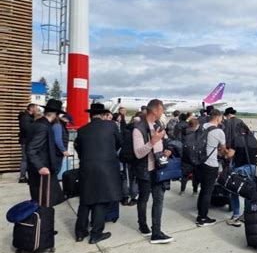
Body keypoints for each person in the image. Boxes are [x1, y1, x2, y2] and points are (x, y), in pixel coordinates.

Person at [74, 103, 122, 244]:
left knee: (85, 200)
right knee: (100, 200)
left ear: (90, 115)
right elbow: (120, 142)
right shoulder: (111, 126)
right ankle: (96, 234)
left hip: (86, 167)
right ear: (103, 115)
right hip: (106, 167)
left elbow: (79, 149)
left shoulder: (82, 130)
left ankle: (80, 232)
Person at [133, 99, 174, 244]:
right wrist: (153, 141)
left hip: (159, 170)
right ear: (155, 110)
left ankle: (156, 232)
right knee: (143, 199)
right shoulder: (138, 128)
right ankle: (142, 225)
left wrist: (166, 152)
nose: (163, 112)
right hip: (145, 170)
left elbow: (160, 146)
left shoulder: (159, 125)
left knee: (159, 200)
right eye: (162, 110)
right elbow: (138, 153)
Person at [195, 109, 234, 227]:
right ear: (218, 118)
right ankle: (202, 218)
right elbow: (223, 151)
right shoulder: (219, 131)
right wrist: (227, 153)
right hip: (210, 164)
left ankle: (200, 213)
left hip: (199, 162)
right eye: (221, 118)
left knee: (202, 189)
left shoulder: (201, 126)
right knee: (207, 191)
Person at [26, 99, 66, 207]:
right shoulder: (43, 127)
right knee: (44, 203)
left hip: (41, 169)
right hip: (42, 171)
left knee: (43, 202)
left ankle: (43, 222)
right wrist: (40, 167)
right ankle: (43, 223)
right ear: (56, 115)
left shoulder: (37, 123)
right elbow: (31, 149)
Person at [227, 122, 257, 227]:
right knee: (248, 192)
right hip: (252, 168)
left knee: (234, 192)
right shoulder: (254, 139)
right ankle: (246, 215)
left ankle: (236, 216)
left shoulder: (236, 139)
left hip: (240, 169)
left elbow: (230, 155)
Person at [18, 103, 38, 183]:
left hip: (27, 141)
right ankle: (22, 177)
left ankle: (26, 176)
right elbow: (27, 130)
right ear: (31, 108)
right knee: (25, 159)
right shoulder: (26, 118)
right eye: (36, 108)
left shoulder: (29, 117)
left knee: (26, 159)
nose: (37, 110)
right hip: (26, 141)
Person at [180, 117, 200, 195]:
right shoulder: (197, 135)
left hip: (185, 158)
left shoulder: (184, 133)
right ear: (196, 125)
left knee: (184, 176)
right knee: (195, 176)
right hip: (195, 159)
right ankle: (194, 191)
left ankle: (182, 190)